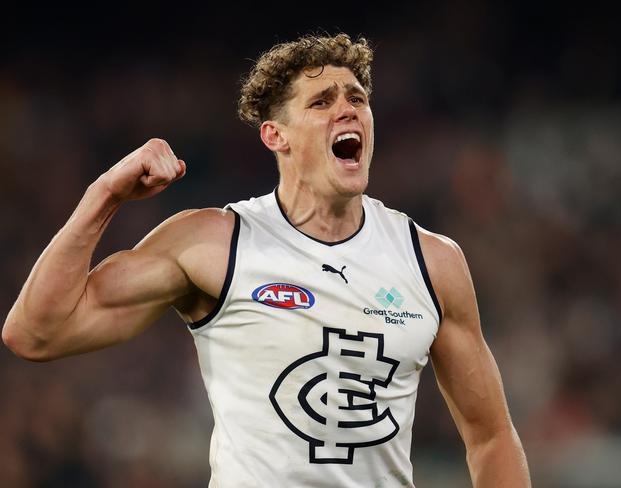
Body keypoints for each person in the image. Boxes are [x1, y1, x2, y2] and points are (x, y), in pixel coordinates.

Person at [2, 34, 531, 487]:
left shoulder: (431, 261)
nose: (348, 108)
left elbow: (491, 437)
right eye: (322, 101)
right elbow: (36, 333)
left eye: (357, 97)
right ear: (274, 135)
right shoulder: (212, 244)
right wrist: (104, 196)